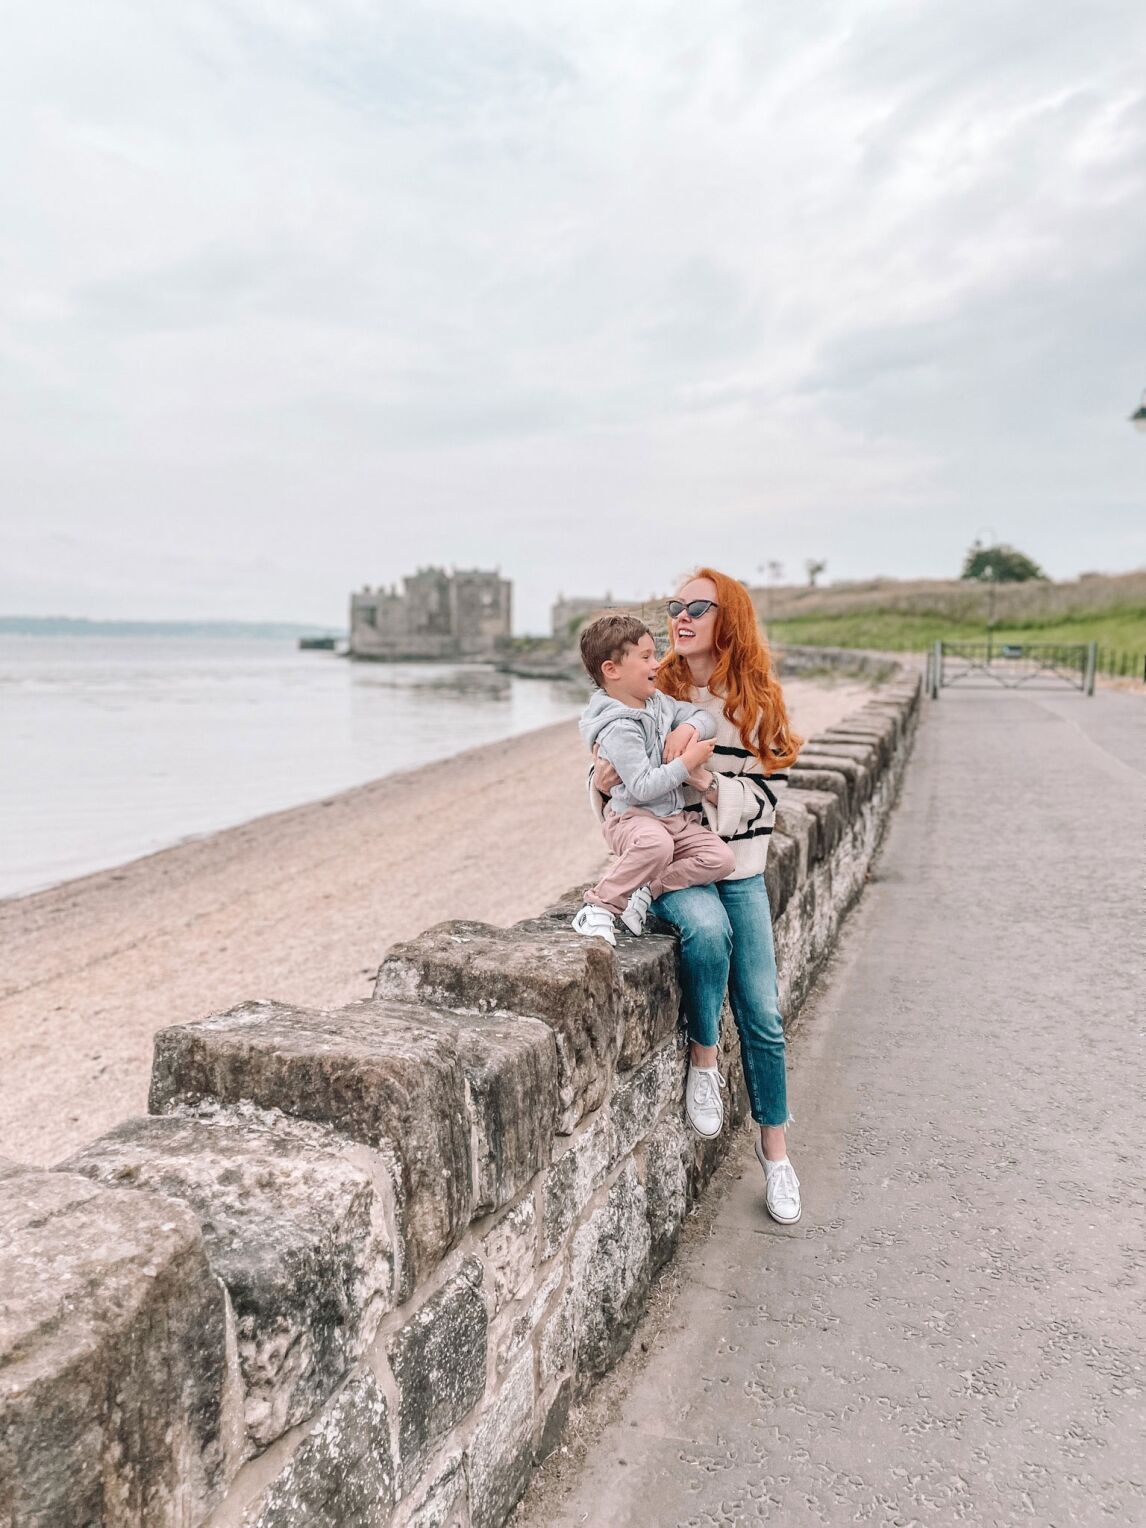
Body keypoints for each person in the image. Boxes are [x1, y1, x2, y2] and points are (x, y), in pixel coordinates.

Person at [591, 571, 804, 1224]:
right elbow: (612, 774)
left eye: (696, 608)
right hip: (677, 861)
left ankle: (778, 1156)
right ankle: (703, 1061)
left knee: (764, 1014)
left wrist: (705, 779)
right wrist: (605, 779)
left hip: (737, 866)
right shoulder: (654, 691)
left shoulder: (759, 703)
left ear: (728, 617)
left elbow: (771, 798)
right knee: (706, 938)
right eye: (674, 607)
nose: (679, 617)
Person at [573, 612, 736, 948]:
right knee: (655, 845)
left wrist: (688, 729)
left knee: (721, 859)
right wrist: (688, 763)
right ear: (612, 670)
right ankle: (598, 906)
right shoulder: (617, 726)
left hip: (673, 820)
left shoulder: (658, 703)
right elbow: (642, 787)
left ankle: (648, 888)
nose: (657, 664)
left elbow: (703, 717)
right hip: (632, 819)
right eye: (646, 657)